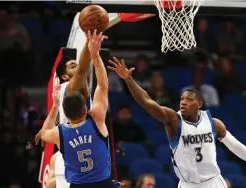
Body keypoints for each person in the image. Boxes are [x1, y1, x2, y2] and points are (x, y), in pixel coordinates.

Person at [108, 57, 246, 188]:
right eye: (182, 99)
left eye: (188, 99)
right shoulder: (174, 120)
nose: (183, 103)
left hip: (213, 182)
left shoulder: (214, 124)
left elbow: (237, 148)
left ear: (199, 104)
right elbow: (147, 103)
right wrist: (128, 79)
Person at [41, 31, 115, 188]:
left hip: (73, 164)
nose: (78, 67)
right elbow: (100, 83)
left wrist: (54, 109)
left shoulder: (58, 131)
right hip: (98, 179)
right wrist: (93, 51)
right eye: (71, 65)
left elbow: (44, 133)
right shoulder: (73, 90)